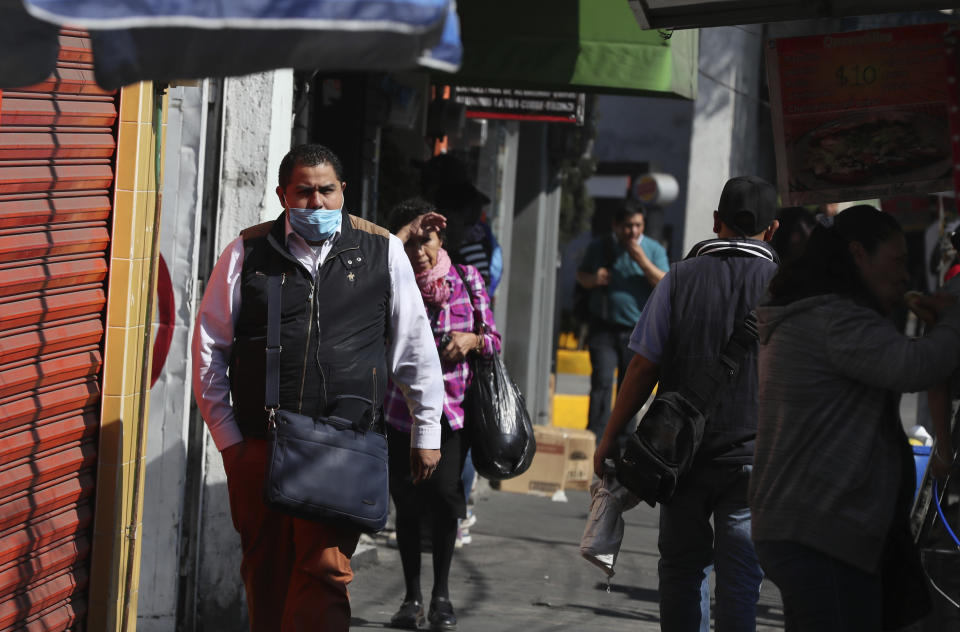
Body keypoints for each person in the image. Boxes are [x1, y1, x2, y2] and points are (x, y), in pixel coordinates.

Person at [192, 144, 444, 632]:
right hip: (260, 446)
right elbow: (209, 349)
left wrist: (426, 428)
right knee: (266, 572)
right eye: (304, 192)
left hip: (341, 445)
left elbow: (414, 346)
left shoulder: (381, 250)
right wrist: (231, 444)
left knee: (325, 573)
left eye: (327, 191)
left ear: (343, 191)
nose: (316, 203)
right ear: (283, 194)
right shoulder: (248, 250)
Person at [750, 205, 960, 630]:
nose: (905, 276)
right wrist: (955, 316)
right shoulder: (835, 318)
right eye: (897, 262)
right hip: (821, 530)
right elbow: (916, 365)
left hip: (807, 526)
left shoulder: (818, 311)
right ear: (859, 254)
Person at [594, 176, 781, 631]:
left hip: (680, 457)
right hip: (756, 461)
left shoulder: (679, 278)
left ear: (716, 222)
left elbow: (642, 368)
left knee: (682, 568)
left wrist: (609, 438)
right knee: (741, 578)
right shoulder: (787, 288)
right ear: (771, 230)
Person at [385, 198, 502, 631]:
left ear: (442, 239)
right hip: (401, 412)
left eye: (426, 241)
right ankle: (412, 596)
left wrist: (471, 341)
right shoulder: (392, 279)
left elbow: (494, 340)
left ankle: (441, 595)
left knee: (445, 499)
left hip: (453, 416)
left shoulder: (467, 279)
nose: (419, 252)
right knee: (408, 503)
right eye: (411, 243)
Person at [577, 205, 668, 444]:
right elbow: (581, 277)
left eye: (638, 225)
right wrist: (594, 279)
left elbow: (665, 284)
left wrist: (641, 259)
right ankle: (594, 439)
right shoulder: (600, 247)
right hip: (604, 328)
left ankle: (622, 442)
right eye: (628, 225)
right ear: (615, 226)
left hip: (637, 332)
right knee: (602, 382)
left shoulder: (653, 249)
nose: (633, 231)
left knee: (630, 389)